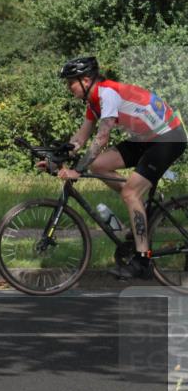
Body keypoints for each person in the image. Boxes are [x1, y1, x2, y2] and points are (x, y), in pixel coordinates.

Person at [53, 56, 186, 279]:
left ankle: (142, 260)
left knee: (129, 192)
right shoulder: (93, 103)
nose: (68, 88)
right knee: (99, 165)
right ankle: (141, 207)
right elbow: (81, 138)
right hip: (144, 138)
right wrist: (55, 157)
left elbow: (102, 138)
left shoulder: (108, 95)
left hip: (168, 137)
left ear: (86, 80)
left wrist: (78, 170)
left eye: (70, 82)